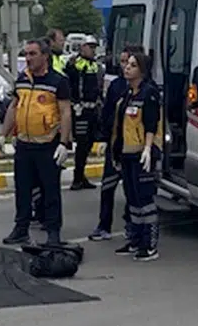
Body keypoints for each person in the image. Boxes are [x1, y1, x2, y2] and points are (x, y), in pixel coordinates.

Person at [0, 37, 72, 246]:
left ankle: (53, 232)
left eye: (32, 54)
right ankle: (21, 228)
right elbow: (14, 107)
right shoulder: (22, 79)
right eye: (26, 54)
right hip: (24, 144)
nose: (28, 58)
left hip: (47, 144)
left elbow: (65, 112)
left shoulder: (58, 81)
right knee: (22, 189)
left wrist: (63, 143)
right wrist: (3, 134)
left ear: (45, 56)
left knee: (50, 191)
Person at [111, 51, 162, 261]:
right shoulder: (128, 94)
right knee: (132, 199)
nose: (127, 68)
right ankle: (135, 240)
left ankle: (149, 245)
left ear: (142, 70)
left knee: (144, 199)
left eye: (132, 65)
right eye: (127, 64)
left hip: (142, 154)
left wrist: (148, 149)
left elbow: (151, 123)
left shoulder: (148, 93)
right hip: (127, 154)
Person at [87, 47, 135, 242]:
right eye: (122, 62)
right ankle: (103, 225)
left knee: (132, 190)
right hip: (115, 145)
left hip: (134, 148)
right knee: (108, 186)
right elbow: (107, 113)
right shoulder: (116, 86)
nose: (124, 67)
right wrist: (104, 139)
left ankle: (131, 225)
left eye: (129, 63)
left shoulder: (145, 89)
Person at [64, 35, 104, 190]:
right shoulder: (75, 64)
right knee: (81, 144)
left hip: (93, 109)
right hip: (79, 110)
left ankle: (81, 176)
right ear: (82, 47)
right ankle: (77, 177)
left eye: (94, 47)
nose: (93, 50)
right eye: (90, 47)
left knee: (89, 143)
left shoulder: (96, 66)